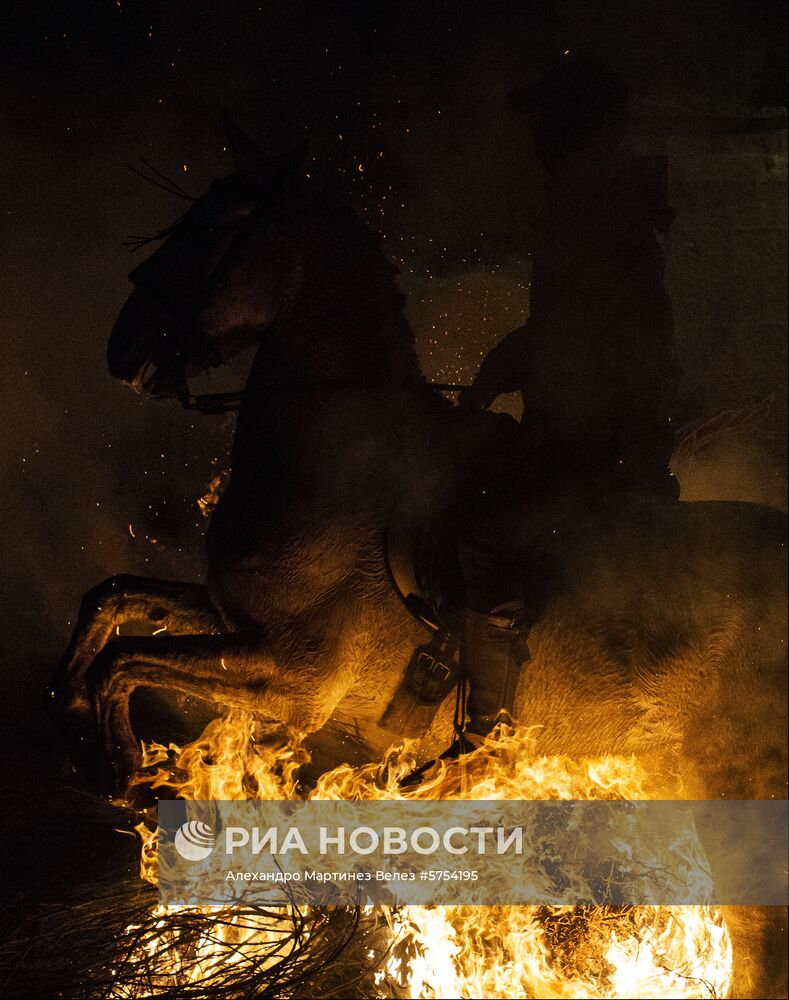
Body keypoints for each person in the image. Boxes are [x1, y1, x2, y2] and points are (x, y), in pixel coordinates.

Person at [456, 59, 680, 743]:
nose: (535, 134)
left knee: (485, 535)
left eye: (547, 118)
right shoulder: (590, 203)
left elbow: (577, 329)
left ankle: (488, 729)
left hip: (604, 447)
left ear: (577, 125)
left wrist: (496, 378)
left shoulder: (590, 209)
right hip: (583, 431)